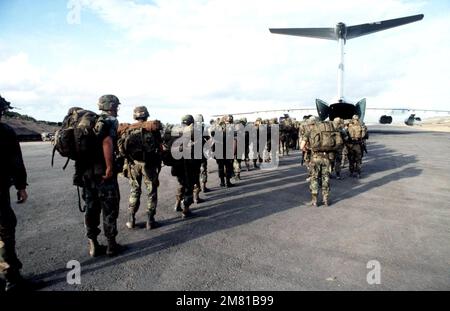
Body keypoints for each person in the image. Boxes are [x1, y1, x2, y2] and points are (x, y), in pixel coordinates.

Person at [80, 95, 122, 257]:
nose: (117, 108)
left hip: (86, 174)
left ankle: (93, 244)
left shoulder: (89, 121)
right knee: (109, 209)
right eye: (116, 105)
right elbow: (107, 143)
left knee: (91, 208)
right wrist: (110, 167)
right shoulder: (110, 120)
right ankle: (111, 245)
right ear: (110, 106)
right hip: (104, 174)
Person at [0, 95, 29, 291]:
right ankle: (12, 279)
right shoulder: (4, 131)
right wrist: (21, 186)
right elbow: (16, 162)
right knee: (4, 232)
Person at [123, 106, 162, 230]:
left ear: (135, 116)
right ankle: (150, 220)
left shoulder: (128, 129)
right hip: (149, 165)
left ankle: (131, 219)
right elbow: (160, 147)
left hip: (133, 165)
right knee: (152, 191)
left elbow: (122, 149)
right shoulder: (152, 128)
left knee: (134, 190)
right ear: (146, 115)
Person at [300, 116, 333, 206]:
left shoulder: (309, 132)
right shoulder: (327, 131)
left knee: (314, 178)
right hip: (326, 158)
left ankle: (314, 201)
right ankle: (325, 199)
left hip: (315, 158)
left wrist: (307, 149)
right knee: (325, 178)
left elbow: (301, 146)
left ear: (311, 124)